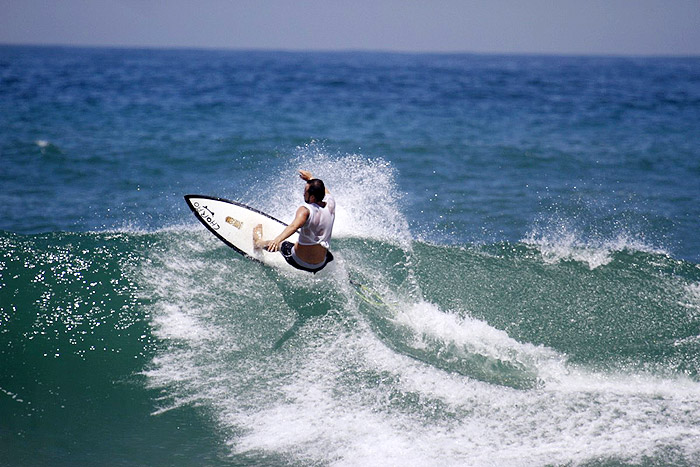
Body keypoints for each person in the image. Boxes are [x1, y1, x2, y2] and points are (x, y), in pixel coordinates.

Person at [253, 170, 335, 273]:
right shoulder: (331, 204)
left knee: (282, 245)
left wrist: (277, 240)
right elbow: (325, 191)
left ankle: (258, 243)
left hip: (299, 261)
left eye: (305, 192)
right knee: (327, 253)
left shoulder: (305, 210)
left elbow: (293, 226)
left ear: (312, 197)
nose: (303, 194)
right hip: (320, 264)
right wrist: (310, 178)